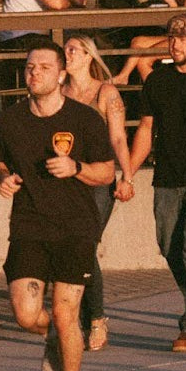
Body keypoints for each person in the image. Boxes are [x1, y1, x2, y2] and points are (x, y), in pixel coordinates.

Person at [0, 41, 115, 371]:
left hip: (76, 227)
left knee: (65, 310)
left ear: (61, 74)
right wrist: (4, 177)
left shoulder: (85, 119)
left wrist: (76, 168)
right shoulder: (9, 120)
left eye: (44, 67)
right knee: (26, 314)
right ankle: (56, 337)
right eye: (29, 67)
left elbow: (107, 172)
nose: (34, 73)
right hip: (29, 225)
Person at [128, 13, 186, 352]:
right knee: (169, 245)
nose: (176, 43)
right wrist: (128, 172)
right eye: (172, 37)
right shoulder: (158, 81)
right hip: (167, 178)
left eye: (183, 36)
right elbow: (145, 129)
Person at [61, 35, 135, 351]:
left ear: (89, 56)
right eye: (65, 50)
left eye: (73, 50)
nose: (67, 54)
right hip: (65, 181)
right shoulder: (60, 91)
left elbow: (118, 138)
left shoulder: (105, 93)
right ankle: (75, 316)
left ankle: (96, 318)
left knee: (85, 245)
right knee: (70, 246)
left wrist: (127, 176)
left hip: (98, 179)